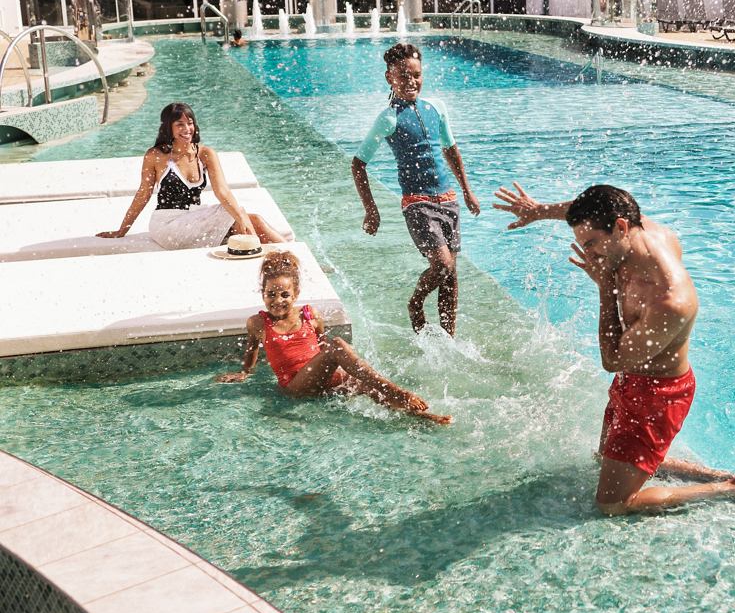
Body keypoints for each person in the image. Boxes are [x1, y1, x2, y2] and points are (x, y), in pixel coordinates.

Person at [494, 182, 735, 515]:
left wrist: (605, 287)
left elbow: (611, 360)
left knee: (612, 504)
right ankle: (710, 473)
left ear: (621, 229)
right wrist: (539, 211)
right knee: (604, 459)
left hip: (657, 397)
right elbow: (590, 211)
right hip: (632, 381)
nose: (590, 254)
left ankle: (729, 488)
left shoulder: (671, 299)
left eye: (592, 244)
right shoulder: (631, 229)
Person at [216, 250, 452, 425]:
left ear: (296, 294)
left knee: (367, 386)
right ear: (263, 294)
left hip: (319, 379)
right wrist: (245, 372)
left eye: (285, 294)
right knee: (337, 345)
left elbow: (319, 348)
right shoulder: (258, 323)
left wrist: (348, 375)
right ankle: (398, 393)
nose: (278, 300)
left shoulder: (310, 315)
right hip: (295, 386)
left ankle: (424, 418)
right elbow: (251, 349)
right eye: (271, 294)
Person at [350, 42, 481, 335]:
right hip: (417, 204)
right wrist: (371, 211)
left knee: (451, 276)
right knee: (442, 264)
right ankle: (415, 302)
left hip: (448, 201)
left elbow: (451, 150)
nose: (411, 81)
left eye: (416, 75)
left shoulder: (437, 107)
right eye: (403, 76)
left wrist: (467, 191)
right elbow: (358, 164)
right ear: (389, 78)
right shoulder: (389, 118)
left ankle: (450, 338)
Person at [97, 102, 287, 249]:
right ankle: (262, 256)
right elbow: (143, 194)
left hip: (195, 218)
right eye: (180, 124)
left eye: (190, 123)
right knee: (234, 214)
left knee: (255, 220)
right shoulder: (156, 156)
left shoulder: (205, 154)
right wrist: (122, 230)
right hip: (167, 225)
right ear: (168, 128)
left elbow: (223, 191)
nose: (187, 129)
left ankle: (292, 257)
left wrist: (242, 218)